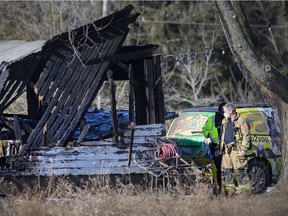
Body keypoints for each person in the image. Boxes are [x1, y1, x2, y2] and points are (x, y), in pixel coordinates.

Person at [219, 103, 251, 195]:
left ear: (231, 111)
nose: (224, 113)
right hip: (226, 149)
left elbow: (246, 135)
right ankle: (230, 193)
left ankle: (245, 193)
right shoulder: (225, 120)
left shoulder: (241, 120)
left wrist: (244, 149)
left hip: (236, 149)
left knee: (240, 171)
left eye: (225, 111)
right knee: (227, 171)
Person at [202, 103, 226, 192]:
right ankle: (218, 186)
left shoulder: (229, 119)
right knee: (217, 167)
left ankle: (223, 187)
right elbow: (204, 130)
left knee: (224, 168)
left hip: (226, 146)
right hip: (215, 146)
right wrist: (209, 135)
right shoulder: (212, 118)